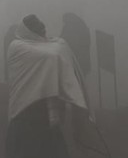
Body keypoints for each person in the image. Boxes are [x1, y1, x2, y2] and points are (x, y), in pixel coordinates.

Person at [5, 14, 91, 158]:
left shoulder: (51, 47)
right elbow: (50, 56)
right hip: (24, 113)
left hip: (46, 115)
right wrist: (59, 46)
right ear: (28, 32)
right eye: (39, 30)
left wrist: (58, 45)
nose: (43, 33)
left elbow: (53, 55)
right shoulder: (17, 47)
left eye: (43, 29)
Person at [59, 12, 91, 76]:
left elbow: (63, 39)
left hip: (76, 58)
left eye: (65, 21)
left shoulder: (70, 28)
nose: (64, 23)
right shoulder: (81, 26)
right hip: (82, 59)